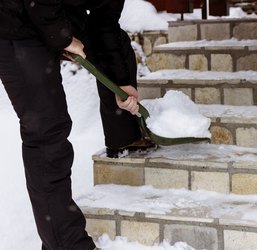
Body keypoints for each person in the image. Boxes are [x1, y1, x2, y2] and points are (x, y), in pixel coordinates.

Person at [0, 0, 152, 249]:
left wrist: (122, 83)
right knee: (46, 133)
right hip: (15, 25)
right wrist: (62, 36)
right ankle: (66, 244)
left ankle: (124, 138)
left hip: (45, 20)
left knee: (50, 131)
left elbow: (105, 20)